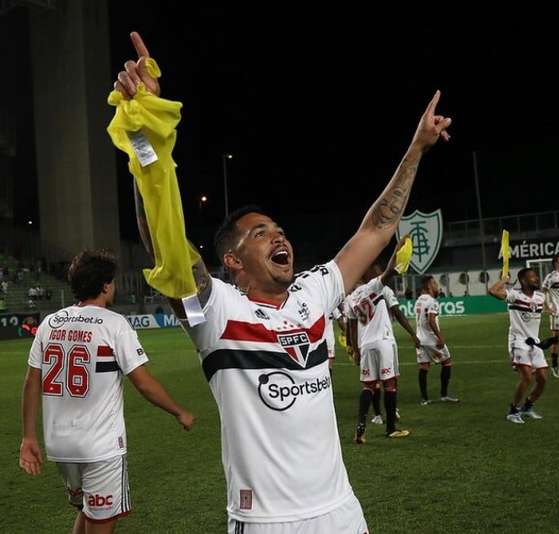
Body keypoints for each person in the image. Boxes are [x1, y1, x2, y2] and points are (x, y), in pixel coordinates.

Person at [114, 31, 451, 533]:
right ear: (232, 259)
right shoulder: (217, 313)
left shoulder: (314, 292)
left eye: (280, 230)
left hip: (342, 512)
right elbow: (164, 244)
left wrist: (417, 147)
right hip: (266, 521)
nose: (279, 237)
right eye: (261, 233)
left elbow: (377, 228)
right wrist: (144, 131)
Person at [19, 250, 194, 534]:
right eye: (111, 282)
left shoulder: (50, 323)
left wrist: (28, 436)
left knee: (86, 510)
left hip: (60, 447)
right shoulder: (114, 324)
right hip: (100, 447)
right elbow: (144, 383)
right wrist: (180, 411)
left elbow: (31, 383)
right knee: (101, 521)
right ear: (104, 286)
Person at [348, 242, 419, 442]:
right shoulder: (375, 286)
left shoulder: (351, 298)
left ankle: (360, 430)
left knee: (368, 387)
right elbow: (390, 271)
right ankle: (390, 429)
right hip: (384, 341)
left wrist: (354, 349)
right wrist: (398, 247)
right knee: (389, 384)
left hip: (366, 345)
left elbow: (351, 325)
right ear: (367, 274)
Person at [488, 269, 556, 424]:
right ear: (524, 281)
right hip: (518, 341)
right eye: (532, 277)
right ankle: (513, 411)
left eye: (536, 277)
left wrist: (550, 310)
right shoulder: (515, 295)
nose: (536, 279)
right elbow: (492, 291)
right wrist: (504, 280)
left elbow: (540, 306)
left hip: (534, 342)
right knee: (526, 376)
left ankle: (527, 407)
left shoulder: (540, 297)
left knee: (543, 378)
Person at [414, 275, 459, 405]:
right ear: (428, 285)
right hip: (431, 339)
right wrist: (440, 337)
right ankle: (444, 395)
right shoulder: (432, 301)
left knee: (424, 366)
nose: (437, 285)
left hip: (420, 338)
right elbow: (431, 320)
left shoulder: (419, 300)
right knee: (447, 362)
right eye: (434, 283)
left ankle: (424, 398)